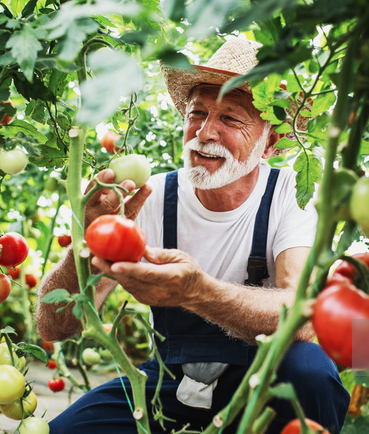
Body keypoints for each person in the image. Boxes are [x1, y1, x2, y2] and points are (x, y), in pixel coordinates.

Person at [36, 37, 350, 433]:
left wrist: (196, 292)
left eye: (230, 119)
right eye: (197, 113)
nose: (205, 132)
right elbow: (55, 327)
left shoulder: (291, 193)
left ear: (270, 142)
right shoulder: (148, 198)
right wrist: (85, 241)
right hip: (169, 382)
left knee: (310, 371)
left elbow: (302, 315)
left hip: (261, 384)